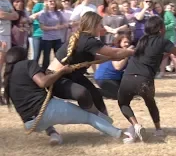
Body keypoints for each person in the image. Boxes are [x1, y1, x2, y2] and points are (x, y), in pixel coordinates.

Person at [3, 46, 134, 145]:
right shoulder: (27, 64)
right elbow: (43, 82)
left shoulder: (7, 77)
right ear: (23, 56)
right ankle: (121, 135)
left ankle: (53, 134)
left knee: (44, 118)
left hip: (31, 124)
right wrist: (62, 71)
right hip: (48, 112)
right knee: (89, 117)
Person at [117, 16, 176, 142]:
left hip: (128, 77)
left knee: (123, 103)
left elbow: (153, 56)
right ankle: (158, 129)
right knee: (150, 103)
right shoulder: (163, 41)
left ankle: (136, 125)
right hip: (144, 80)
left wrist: (167, 52)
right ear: (161, 29)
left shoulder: (142, 41)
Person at [47, 11, 134, 121]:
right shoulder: (88, 41)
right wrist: (132, 52)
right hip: (55, 79)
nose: (101, 27)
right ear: (93, 25)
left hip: (71, 75)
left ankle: (106, 122)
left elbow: (97, 58)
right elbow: (114, 53)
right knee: (83, 93)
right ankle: (100, 121)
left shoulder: (82, 38)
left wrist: (114, 57)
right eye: (99, 25)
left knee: (95, 94)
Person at [94, 31, 132, 100]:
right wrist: (126, 54)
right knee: (118, 96)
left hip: (115, 78)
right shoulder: (115, 51)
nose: (127, 44)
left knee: (128, 93)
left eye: (128, 42)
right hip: (104, 78)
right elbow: (117, 67)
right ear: (119, 42)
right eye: (125, 42)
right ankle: (95, 91)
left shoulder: (127, 51)